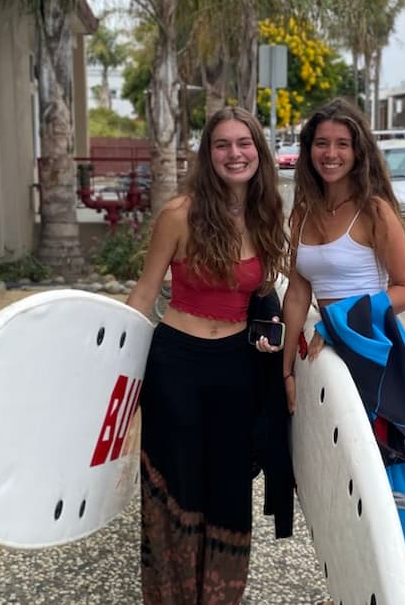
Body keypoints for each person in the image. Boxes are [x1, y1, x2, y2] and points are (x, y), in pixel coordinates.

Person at [126, 106, 289, 604]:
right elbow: (144, 293)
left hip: (238, 368)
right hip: (177, 365)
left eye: (244, 144)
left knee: (229, 486)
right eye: (223, 144)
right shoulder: (180, 214)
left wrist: (281, 331)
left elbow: (271, 292)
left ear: (258, 153)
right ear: (208, 153)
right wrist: (107, 367)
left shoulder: (265, 216)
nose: (234, 154)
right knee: (177, 485)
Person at [280, 97, 405, 571]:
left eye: (342, 143)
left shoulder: (374, 211)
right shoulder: (301, 211)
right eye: (321, 142)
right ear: (308, 150)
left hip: (372, 360)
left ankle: (390, 581)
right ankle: (348, 581)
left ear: (358, 150)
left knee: (379, 478)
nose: (331, 153)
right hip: (323, 359)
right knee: (335, 479)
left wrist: (337, 321)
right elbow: (298, 294)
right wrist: (285, 367)